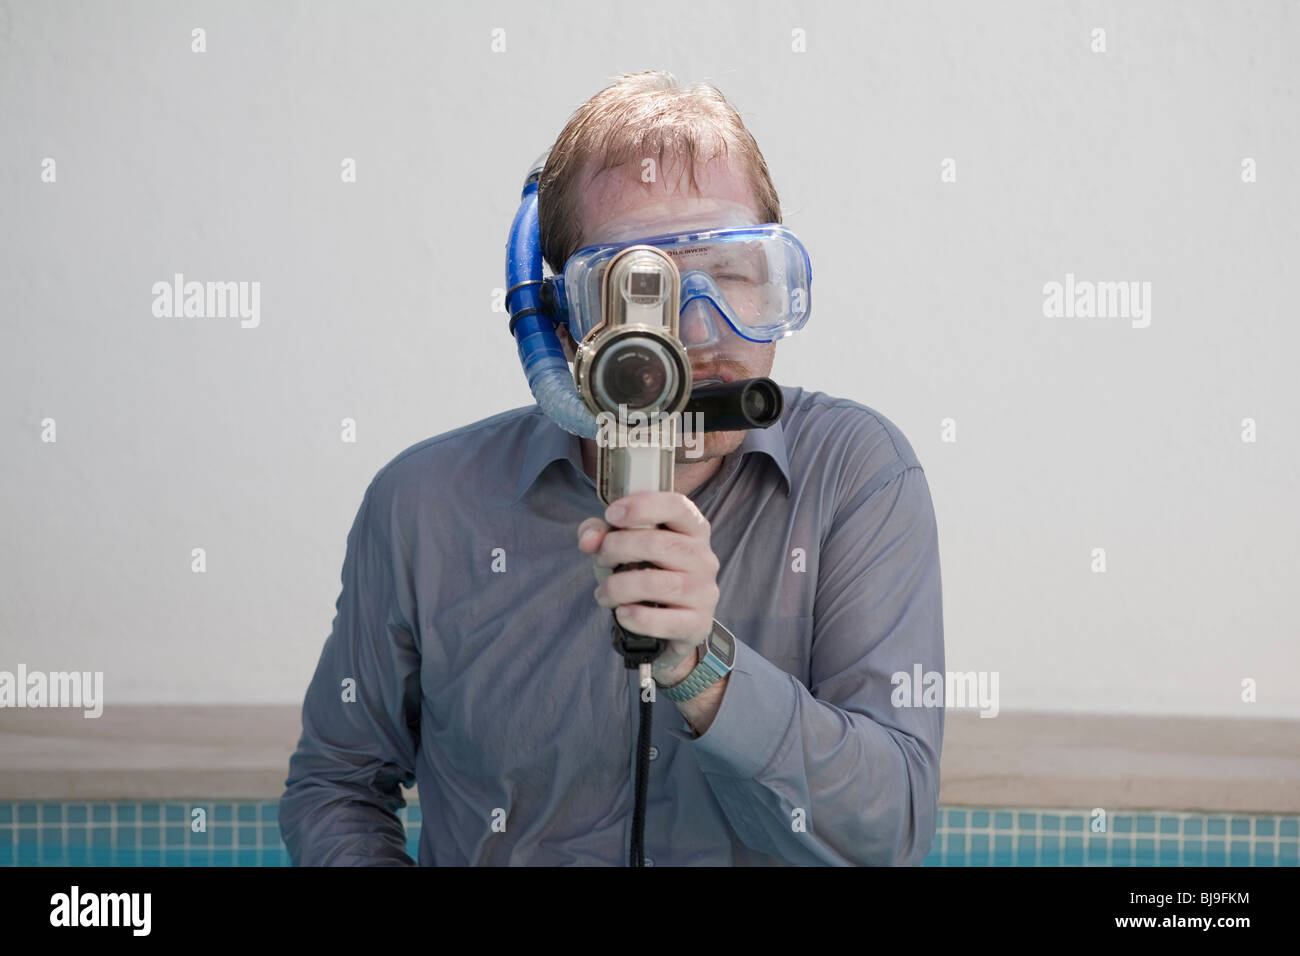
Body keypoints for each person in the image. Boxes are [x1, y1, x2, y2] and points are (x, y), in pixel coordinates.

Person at [279, 71, 945, 866]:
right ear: (559, 324)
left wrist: (704, 671)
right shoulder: (422, 508)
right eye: (644, 291)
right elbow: (337, 785)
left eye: (733, 275)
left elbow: (889, 834)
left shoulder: (860, 478)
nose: (699, 336)